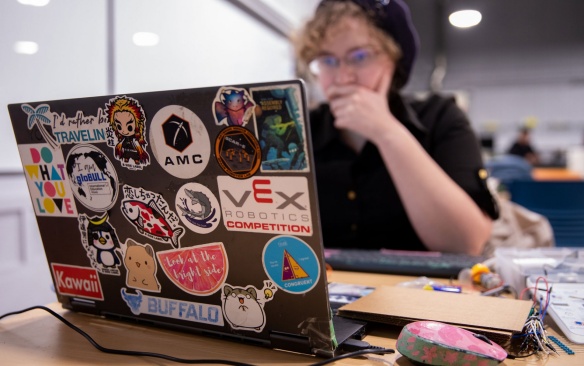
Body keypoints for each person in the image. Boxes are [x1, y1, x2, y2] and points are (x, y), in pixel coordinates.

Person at [294, 0, 498, 255]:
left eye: (359, 57)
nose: (343, 77)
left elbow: (466, 244)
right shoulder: (300, 130)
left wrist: (386, 131)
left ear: (392, 59)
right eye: (328, 61)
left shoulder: (440, 118)